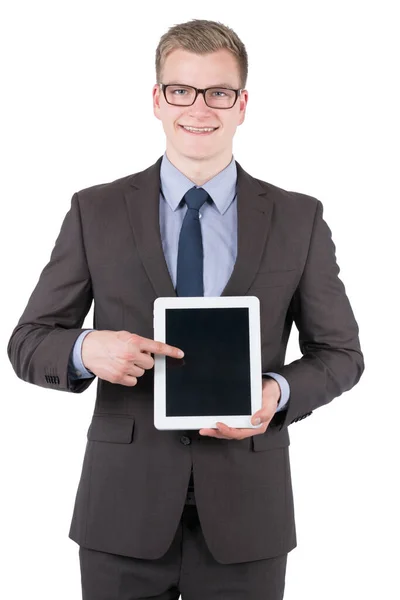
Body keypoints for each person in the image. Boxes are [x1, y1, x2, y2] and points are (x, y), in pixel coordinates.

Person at [7, 18, 364, 600]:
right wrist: (85, 348)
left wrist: (277, 392)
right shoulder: (94, 211)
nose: (199, 108)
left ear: (242, 103)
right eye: (181, 90)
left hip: (248, 514)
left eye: (218, 92)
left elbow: (342, 355)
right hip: (121, 511)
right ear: (157, 99)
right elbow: (27, 342)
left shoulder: (299, 219)